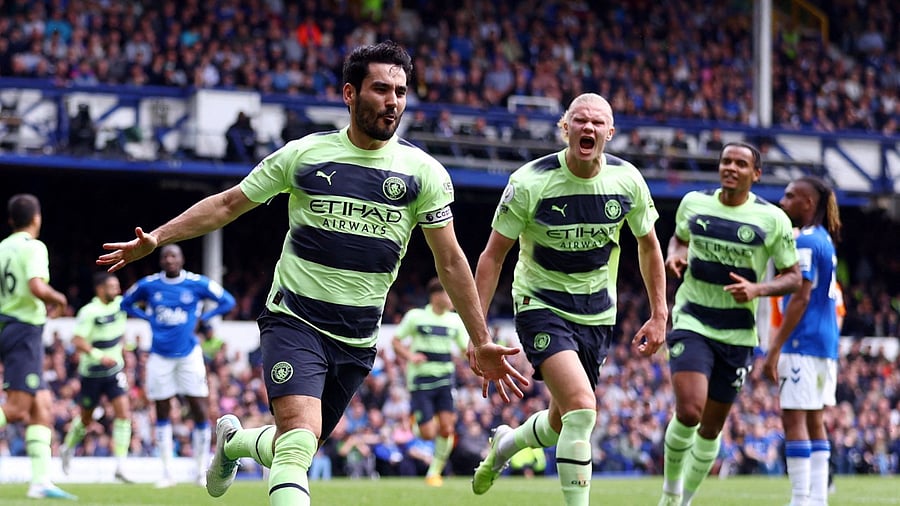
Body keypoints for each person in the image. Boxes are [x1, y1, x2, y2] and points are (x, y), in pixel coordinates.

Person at [97, 40, 527, 506]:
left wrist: (480, 338)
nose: (393, 102)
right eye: (381, 89)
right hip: (294, 320)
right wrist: (158, 237)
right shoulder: (305, 155)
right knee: (300, 439)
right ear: (349, 93)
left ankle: (236, 444)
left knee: (297, 444)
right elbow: (228, 204)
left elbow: (450, 261)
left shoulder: (423, 173)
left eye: (401, 92)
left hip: (358, 338)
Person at [471, 93, 669, 506]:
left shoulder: (627, 180)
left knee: (565, 423)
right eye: (580, 120)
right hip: (540, 305)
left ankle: (506, 444)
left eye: (598, 122)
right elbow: (493, 255)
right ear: (565, 128)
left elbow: (648, 245)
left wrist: (659, 313)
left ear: (610, 132)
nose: (589, 128)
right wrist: (478, 332)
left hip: (597, 313)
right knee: (582, 408)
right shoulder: (530, 181)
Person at [657, 142, 802, 506]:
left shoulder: (772, 219)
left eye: (741, 163)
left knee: (711, 428)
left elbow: (793, 276)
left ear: (756, 174)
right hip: (692, 319)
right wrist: (675, 254)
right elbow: (679, 239)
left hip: (737, 333)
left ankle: (685, 499)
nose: (731, 168)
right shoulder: (694, 203)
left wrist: (758, 289)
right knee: (689, 411)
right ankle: (670, 494)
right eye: (726, 161)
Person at [120, 244, 236, 487]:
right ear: (161, 261)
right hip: (159, 356)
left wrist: (201, 318)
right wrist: (146, 317)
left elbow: (227, 301)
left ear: (182, 259)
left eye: (174, 255)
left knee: (199, 409)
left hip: (189, 355)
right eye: (165, 256)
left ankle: (200, 471)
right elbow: (125, 303)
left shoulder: (196, 283)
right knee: (162, 409)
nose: (170, 259)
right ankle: (166, 473)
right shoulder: (149, 285)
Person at [763, 175, 842, 506]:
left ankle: (800, 499)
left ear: (808, 203)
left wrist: (775, 346)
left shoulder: (806, 242)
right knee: (815, 420)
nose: (783, 201)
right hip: (825, 345)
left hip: (802, 343)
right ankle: (817, 499)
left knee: (793, 419)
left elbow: (800, 296)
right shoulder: (823, 239)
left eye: (790, 195)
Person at [0, 194, 76, 499]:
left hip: (9, 325)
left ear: (10, 220)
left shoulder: (3, 247)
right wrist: (59, 299)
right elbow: (36, 285)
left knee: (42, 407)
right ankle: (40, 482)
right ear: (37, 218)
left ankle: (40, 482)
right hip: (23, 330)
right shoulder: (33, 247)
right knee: (18, 408)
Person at [391, 277, 469, 487]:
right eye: (449, 293)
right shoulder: (416, 317)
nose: (453, 299)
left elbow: (465, 350)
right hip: (420, 381)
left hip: (445, 380)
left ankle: (434, 473)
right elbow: (396, 341)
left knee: (446, 428)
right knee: (427, 434)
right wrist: (410, 356)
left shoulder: (455, 321)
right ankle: (416, 424)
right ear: (436, 296)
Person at [60, 271, 134, 483]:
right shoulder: (89, 311)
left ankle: (121, 465)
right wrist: (99, 356)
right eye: (112, 286)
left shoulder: (121, 304)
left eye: (118, 286)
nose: (117, 290)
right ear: (100, 289)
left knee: (123, 414)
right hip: (91, 373)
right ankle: (67, 448)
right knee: (86, 419)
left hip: (114, 371)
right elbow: (77, 340)